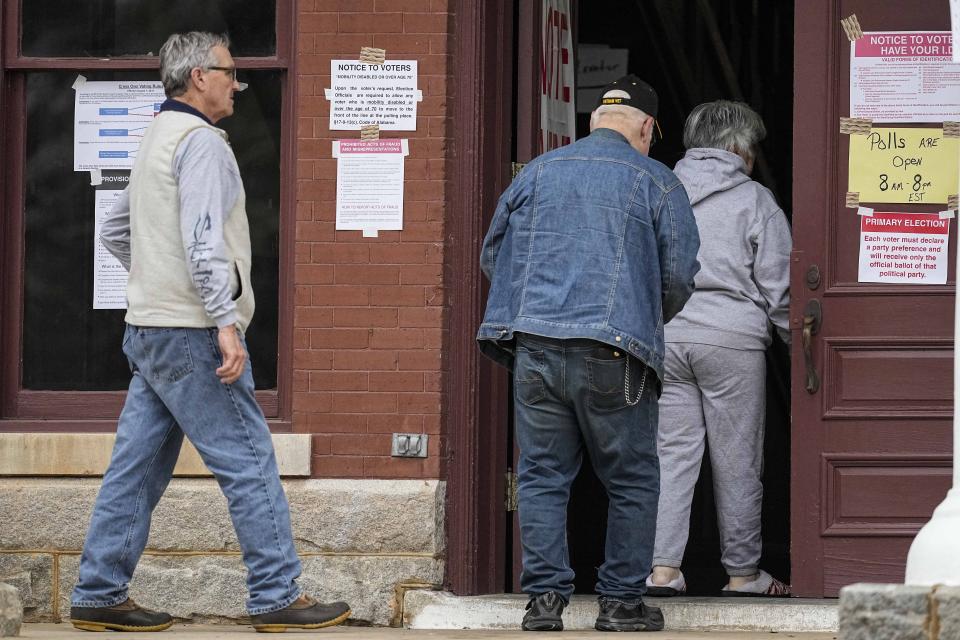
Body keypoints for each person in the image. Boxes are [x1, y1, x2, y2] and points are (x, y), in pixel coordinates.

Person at [69, 32, 351, 633]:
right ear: (199, 75)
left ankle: (98, 592)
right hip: (193, 332)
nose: (237, 83)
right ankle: (277, 596)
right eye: (229, 72)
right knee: (248, 461)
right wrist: (225, 321)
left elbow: (114, 231)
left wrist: (156, 281)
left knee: (135, 468)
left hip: (148, 328)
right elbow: (203, 242)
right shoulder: (202, 143)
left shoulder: (154, 138)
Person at [477, 75, 700, 632]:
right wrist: (640, 317)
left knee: (542, 475)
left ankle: (545, 603)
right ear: (646, 127)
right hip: (615, 350)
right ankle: (621, 603)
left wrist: (532, 314)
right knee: (631, 478)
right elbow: (677, 276)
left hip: (536, 347)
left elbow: (493, 257)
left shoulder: (536, 173)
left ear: (596, 121)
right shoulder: (657, 180)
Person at [646, 100, 792, 598]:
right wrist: (799, 343)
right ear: (736, 148)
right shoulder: (756, 200)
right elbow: (780, 287)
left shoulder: (660, 190)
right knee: (738, 459)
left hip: (667, 336)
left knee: (671, 456)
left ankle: (663, 570)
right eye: (751, 149)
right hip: (732, 341)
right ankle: (744, 574)